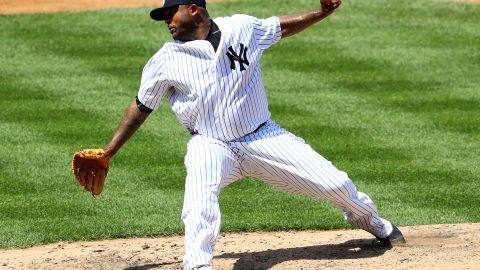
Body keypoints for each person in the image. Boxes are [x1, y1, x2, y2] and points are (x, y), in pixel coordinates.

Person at [74, 0, 406, 269]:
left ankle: (375, 223)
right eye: (162, 16)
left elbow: (280, 27)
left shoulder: (242, 28)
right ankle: (197, 265)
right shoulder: (165, 59)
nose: (166, 21)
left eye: (169, 13)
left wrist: (321, 12)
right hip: (210, 143)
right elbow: (141, 105)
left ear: (193, 8)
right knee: (198, 198)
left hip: (263, 137)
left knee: (336, 184)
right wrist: (110, 151)